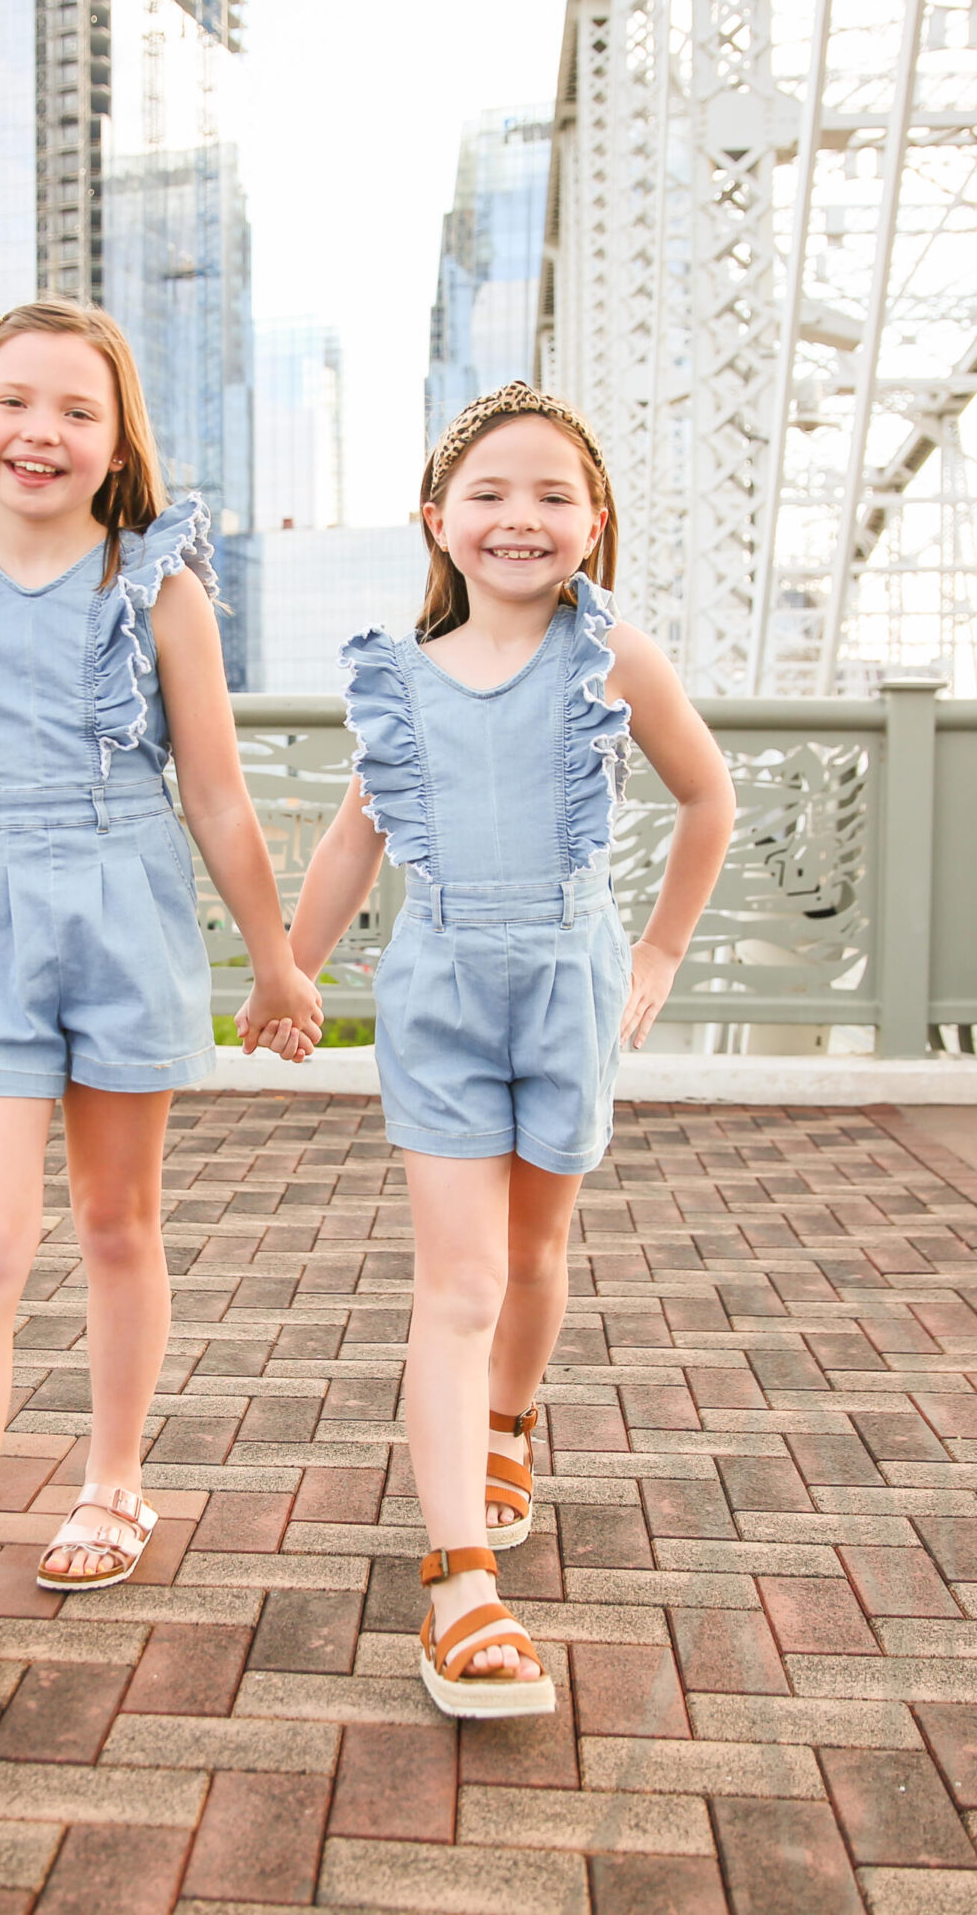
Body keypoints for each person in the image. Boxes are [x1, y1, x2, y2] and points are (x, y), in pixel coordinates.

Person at [240, 380, 735, 1717]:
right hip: (442, 994)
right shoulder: (396, 675)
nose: (523, 517)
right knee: (456, 1281)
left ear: (596, 520)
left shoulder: (612, 654)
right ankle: (458, 1578)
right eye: (492, 493)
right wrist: (292, 966)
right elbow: (355, 837)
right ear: (439, 522)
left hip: (569, 983)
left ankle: (511, 1420)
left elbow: (709, 798)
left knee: (533, 1254)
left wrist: (657, 955)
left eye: (554, 494)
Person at [0, 300, 321, 1669]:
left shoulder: (157, 584)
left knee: (118, 1219)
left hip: (123, 906)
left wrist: (277, 955)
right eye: (14, 402)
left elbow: (219, 794)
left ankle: (115, 1476)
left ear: (118, 439)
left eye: (76, 408)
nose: (40, 432)